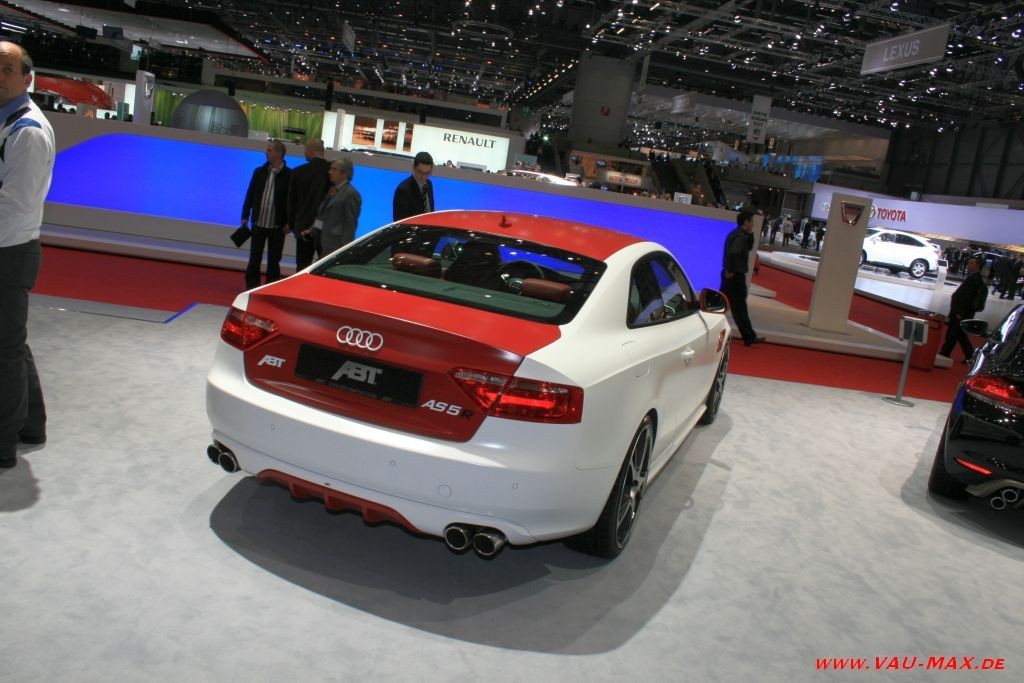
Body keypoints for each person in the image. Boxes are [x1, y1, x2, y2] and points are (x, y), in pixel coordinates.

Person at [0, 42, 55, 468]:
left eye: (7, 69)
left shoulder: (28, 131)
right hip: (8, 244)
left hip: (10, 249)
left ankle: (3, 442)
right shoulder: (7, 122)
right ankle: (31, 424)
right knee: (10, 342)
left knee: (4, 350)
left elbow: (14, 205)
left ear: (26, 79)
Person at [240, 139, 291, 290]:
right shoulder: (259, 172)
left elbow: (292, 200)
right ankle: (252, 287)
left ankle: (270, 288)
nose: (265, 152)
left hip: (277, 226)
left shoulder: (289, 175)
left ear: (279, 153)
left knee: (274, 260)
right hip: (258, 223)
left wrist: (290, 222)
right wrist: (245, 215)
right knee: (254, 258)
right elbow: (250, 194)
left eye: (269, 150)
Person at [720, 211, 765, 347]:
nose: (753, 224)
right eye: (751, 221)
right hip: (735, 276)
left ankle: (749, 336)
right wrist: (731, 270)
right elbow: (734, 254)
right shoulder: (739, 236)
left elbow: (747, 248)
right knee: (739, 308)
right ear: (746, 222)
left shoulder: (739, 235)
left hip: (732, 275)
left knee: (721, 304)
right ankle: (749, 336)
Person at [286, 138, 331, 271]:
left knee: (302, 266)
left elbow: (292, 201)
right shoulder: (332, 172)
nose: (304, 152)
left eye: (305, 150)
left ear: (311, 151)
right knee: (324, 267)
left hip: (302, 226)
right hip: (325, 228)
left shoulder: (297, 172)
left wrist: (291, 224)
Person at [939, 256, 986, 363]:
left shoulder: (974, 279)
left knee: (953, 333)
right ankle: (969, 355)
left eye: (971, 263)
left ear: (978, 266)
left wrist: (959, 311)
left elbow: (966, 297)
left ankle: (946, 352)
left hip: (961, 312)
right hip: (963, 311)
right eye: (968, 262)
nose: (968, 265)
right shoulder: (975, 278)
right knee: (960, 334)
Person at [317, 158, 361, 255]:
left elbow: (350, 224)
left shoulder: (351, 194)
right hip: (324, 241)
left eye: (334, 169)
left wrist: (344, 249)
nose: (329, 172)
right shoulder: (332, 190)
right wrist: (312, 230)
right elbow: (323, 214)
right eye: (330, 169)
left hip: (336, 246)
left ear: (344, 174)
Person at [392, 151, 434, 221]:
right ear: (413, 168)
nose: (423, 176)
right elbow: (400, 222)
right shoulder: (403, 190)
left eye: (427, 173)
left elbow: (430, 211)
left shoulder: (429, 184)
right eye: (420, 172)